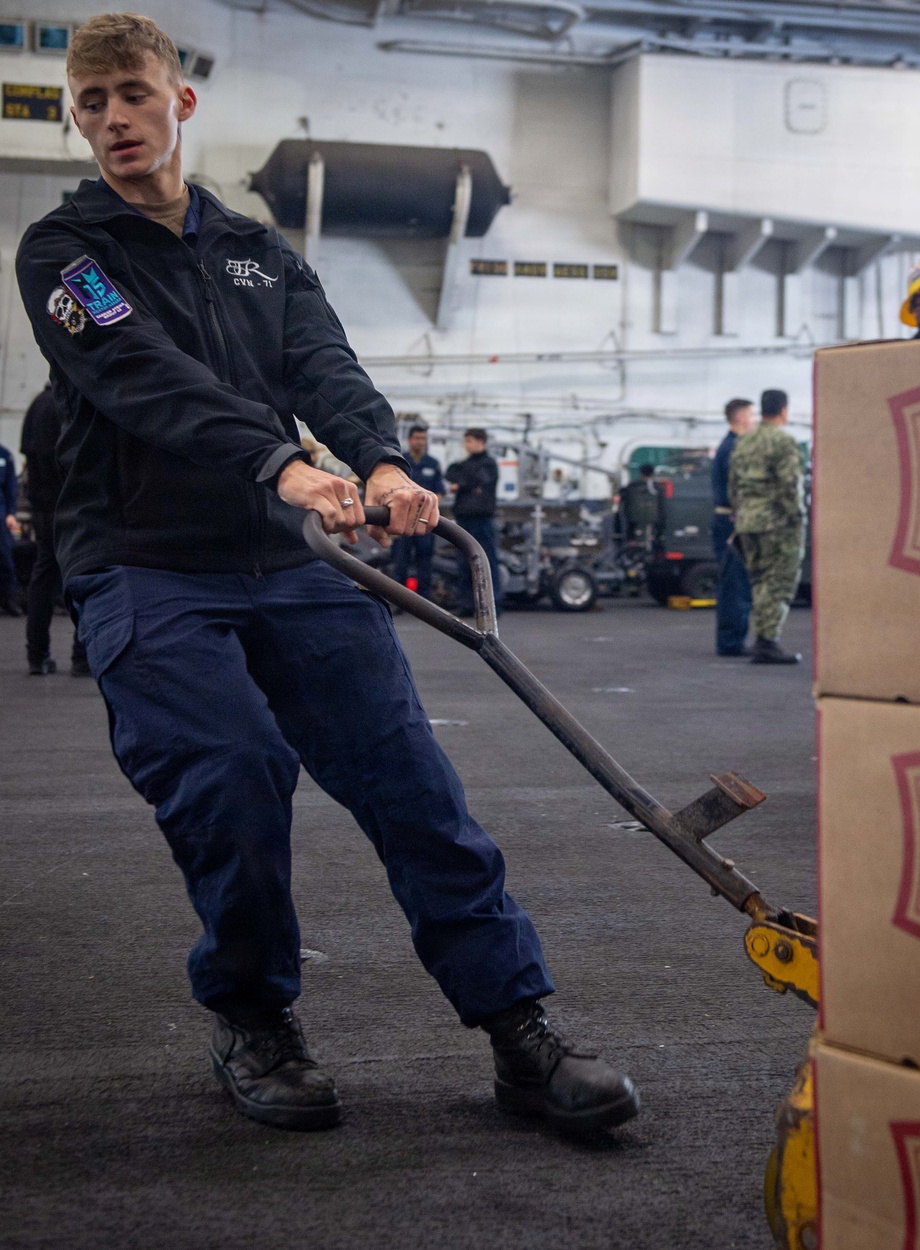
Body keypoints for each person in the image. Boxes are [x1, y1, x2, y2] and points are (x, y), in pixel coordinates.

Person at [16, 13, 638, 1136]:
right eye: (92, 102)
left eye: (132, 94)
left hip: (286, 558)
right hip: (151, 568)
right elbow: (136, 375)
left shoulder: (257, 246)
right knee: (235, 774)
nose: (113, 119)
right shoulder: (65, 256)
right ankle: (254, 1015)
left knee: (411, 781)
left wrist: (385, 459)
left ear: (179, 103)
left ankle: (517, 1027)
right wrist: (281, 461)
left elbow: (324, 366)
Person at [728, 389, 805, 665]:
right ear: (784, 410)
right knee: (780, 582)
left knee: (759, 581)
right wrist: (797, 517)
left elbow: (733, 485)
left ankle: (763, 639)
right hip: (777, 523)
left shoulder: (744, 442)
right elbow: (789, 485)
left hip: (748, 522)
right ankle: (767, 641)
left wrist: (741, 514)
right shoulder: (783, 442)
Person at [20, 381, 91, 675]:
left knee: (43, 573)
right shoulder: (69, 403)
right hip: (69, 503)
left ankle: (37, 653)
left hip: (43, 505)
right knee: (84, 573)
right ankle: (82, 655)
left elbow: (29, 453)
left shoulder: (37, 405)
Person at [711, 399, 755, 657]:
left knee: (735, 582)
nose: (754, 420)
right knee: (735, 584)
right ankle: (730, 642)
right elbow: (737, 489)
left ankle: (732, 639)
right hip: (731, 521)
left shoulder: (729, 446)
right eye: (751, 414)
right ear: (739, 417)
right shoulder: (733, 448)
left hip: (727, 520)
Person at [445, 429, 504, 617]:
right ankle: (467, 604)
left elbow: (480, 478)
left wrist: (461, 485)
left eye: (469, 441)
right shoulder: (466, 464)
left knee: (486, 562)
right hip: (464, 519)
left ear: (481, 442)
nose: (466, 445)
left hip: (482, 520)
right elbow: (451, 473)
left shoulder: (489, 464)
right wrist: (469, 485)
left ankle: (493, 605)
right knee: (464, 563)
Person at [394, 422, 444, 598]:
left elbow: (439, 493)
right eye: (417, 438)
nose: (421, 442)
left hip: (425, 520)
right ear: (409, 440)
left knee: (425, 558)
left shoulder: (433, 463)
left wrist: (429, 508)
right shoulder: (399, 462)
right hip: (402, 518)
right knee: (400, 559)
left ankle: (424, 599)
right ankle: (399, 599)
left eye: (423, 438)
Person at [619, 463, 666, 545]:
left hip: (633, 520)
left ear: (641, 473)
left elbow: (623, 499)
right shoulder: (658, 487)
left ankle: (631, 543)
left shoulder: (632, 486)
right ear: (652, 473)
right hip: (655, 520)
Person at [0, 440, 21, 617]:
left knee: (5, 557)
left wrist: (11, 513)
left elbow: (11, 487)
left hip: (1, 514)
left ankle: (8, 598)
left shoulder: (4, 455)